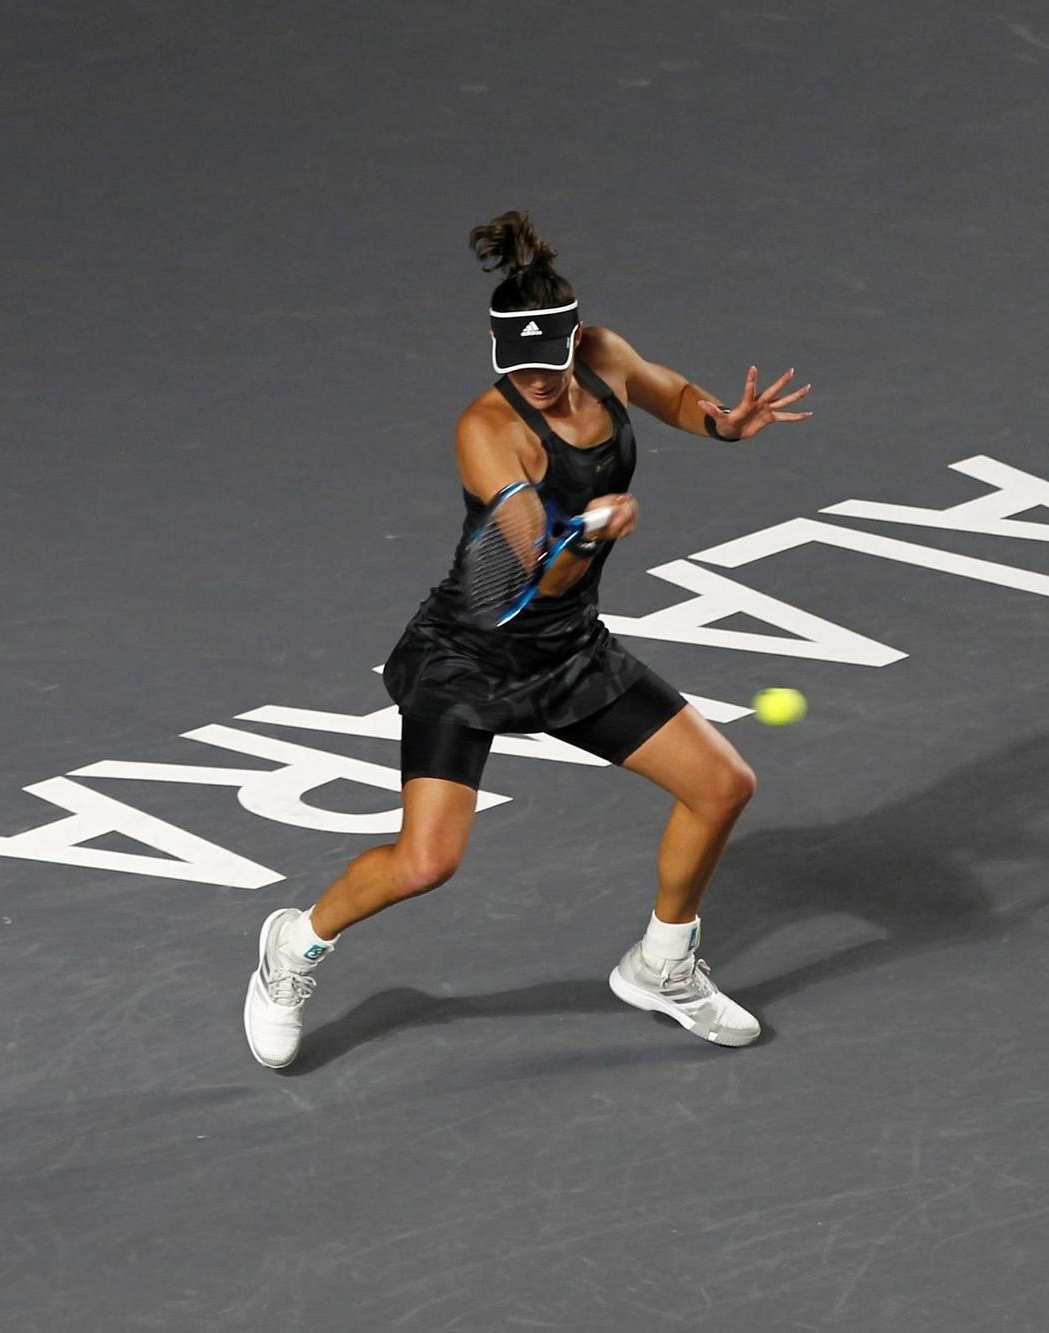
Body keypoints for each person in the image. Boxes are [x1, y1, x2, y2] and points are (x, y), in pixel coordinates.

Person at [243, 211, 812, 1069]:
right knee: (427, 861)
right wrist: (589, 535)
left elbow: (668, 394)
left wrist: (722, 423)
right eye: (520, 367)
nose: (538, 382)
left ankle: (663, 963)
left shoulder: (605, 355)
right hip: (470, 657)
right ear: (496, 350)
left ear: (577, 341)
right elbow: (537, 572)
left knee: (723, 785)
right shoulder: (487, 430)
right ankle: (296, 943)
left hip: (568, 651)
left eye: (551, 364)